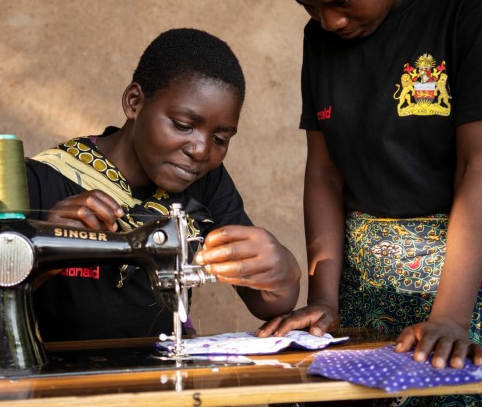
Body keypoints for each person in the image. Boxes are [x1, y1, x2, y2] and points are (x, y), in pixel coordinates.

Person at [260, 0, 482, 405]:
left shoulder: (474, 1)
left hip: (459, 282)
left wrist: (450, 317)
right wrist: (324, 300)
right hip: (359, 281)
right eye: (308, 6)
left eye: (343, 0)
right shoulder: (322, 38)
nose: (330, 20)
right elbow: (325, 175)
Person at [25, 28, 301, 341]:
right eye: (183, 126)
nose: (201, 150)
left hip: (166, 374)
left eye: (220, 139)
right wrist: (41, 257)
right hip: (67, 377)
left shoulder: (207, 183)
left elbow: (264, 301)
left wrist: (285, 273)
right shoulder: (43, 180)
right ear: (134, 102)